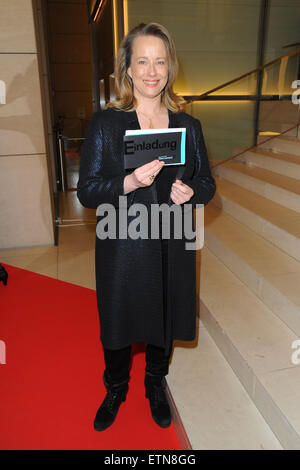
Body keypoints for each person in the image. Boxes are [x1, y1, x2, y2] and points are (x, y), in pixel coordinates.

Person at [77, 22, 216, 432]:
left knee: (165, 316)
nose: (152, 70)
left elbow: (207, 184)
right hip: (122, 242)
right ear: (129, 69)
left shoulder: (189, 126)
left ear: (169, 67)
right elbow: (86, 192)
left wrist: (189, 191)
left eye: (159, 61)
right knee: (118, 322)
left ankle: (155, 383)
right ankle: (116, 386)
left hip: (173, 242)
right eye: (142, 61)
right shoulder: (107, 125)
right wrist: (128, 182)